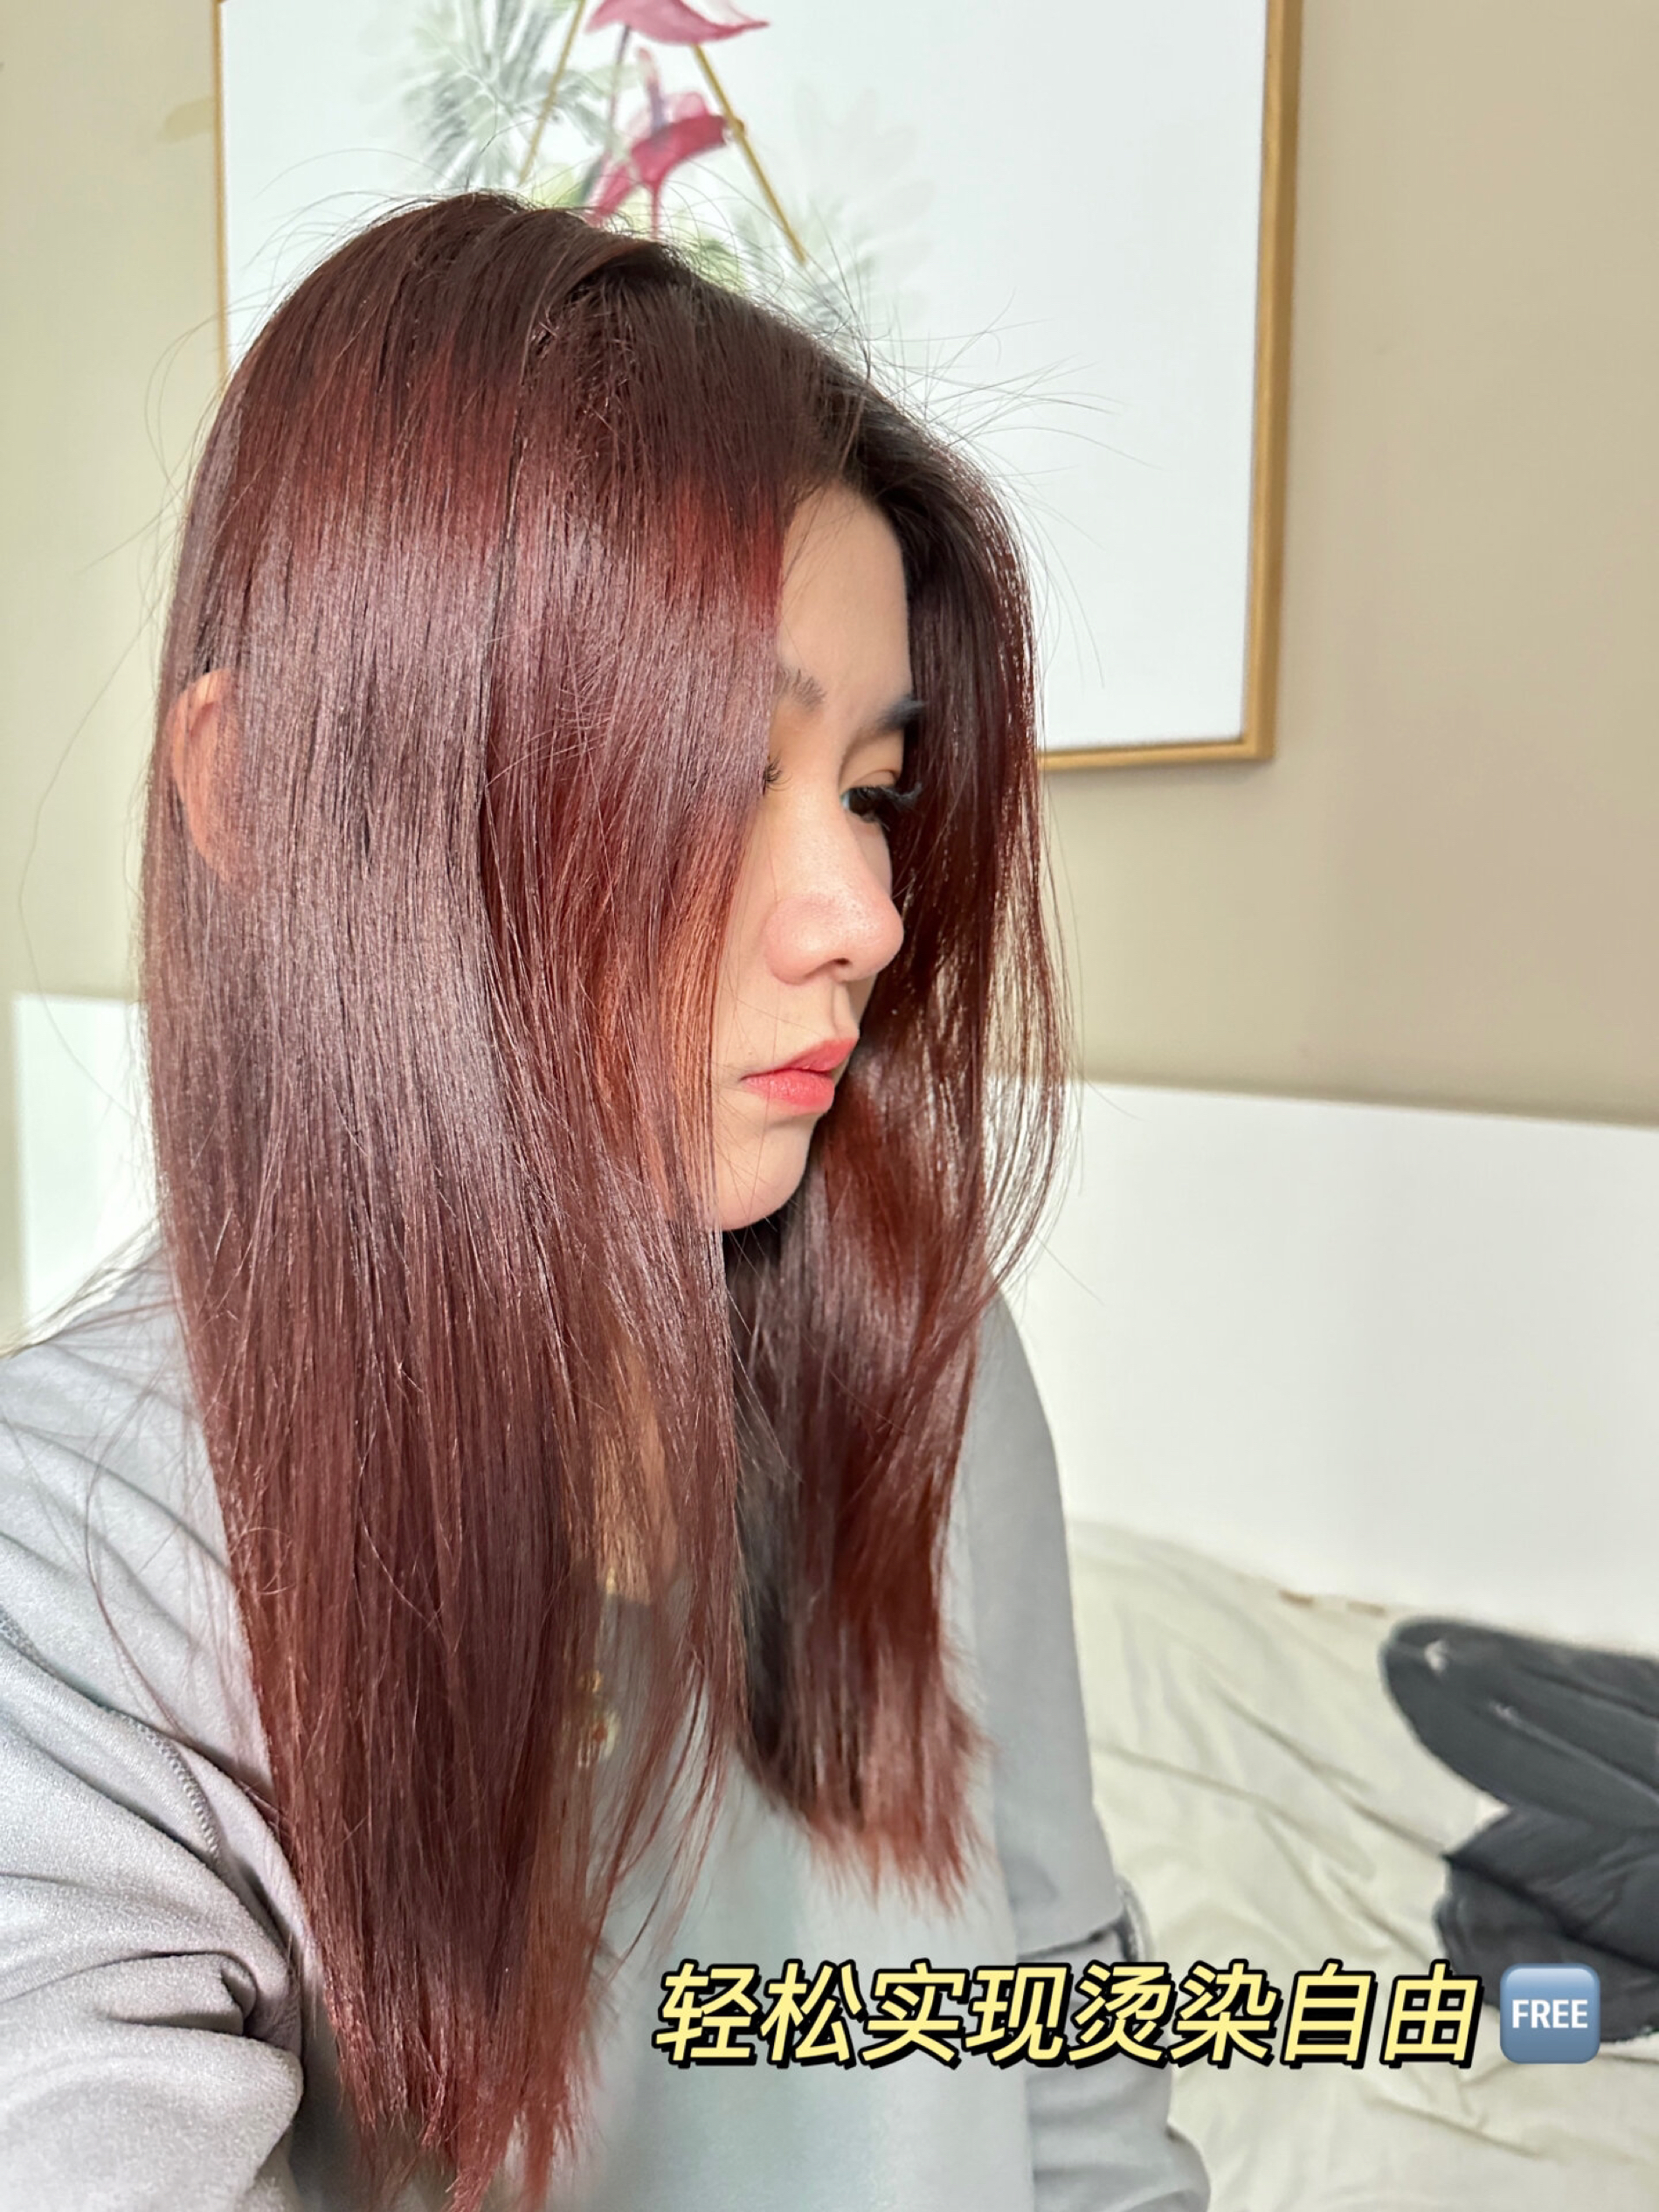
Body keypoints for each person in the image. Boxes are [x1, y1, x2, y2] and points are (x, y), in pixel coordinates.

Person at [0, 196, 1207, 2212]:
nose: (864, 911)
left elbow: (1059, 2017)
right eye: (716, 770)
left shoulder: (908, 1340)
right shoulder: (70, 1576)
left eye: (870, 787)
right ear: (268, 794)